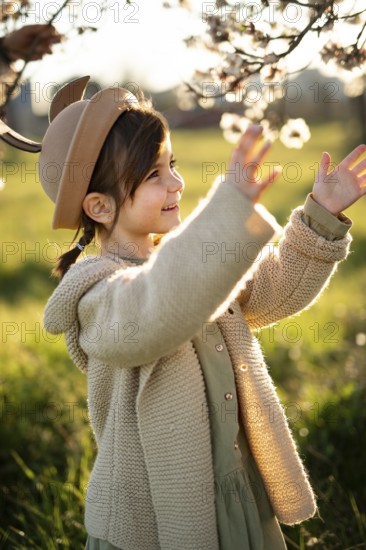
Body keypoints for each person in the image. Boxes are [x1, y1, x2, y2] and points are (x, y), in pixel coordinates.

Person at [8, 76, 366, 549]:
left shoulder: (189, 262)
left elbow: (274, 291)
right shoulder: (97, 297)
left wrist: (321, 213)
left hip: (232, 487)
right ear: (99, 205)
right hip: (151, 519)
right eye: (153, 174)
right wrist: (227, 210)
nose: (176, 181)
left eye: (171, 164)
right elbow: (157, 309)